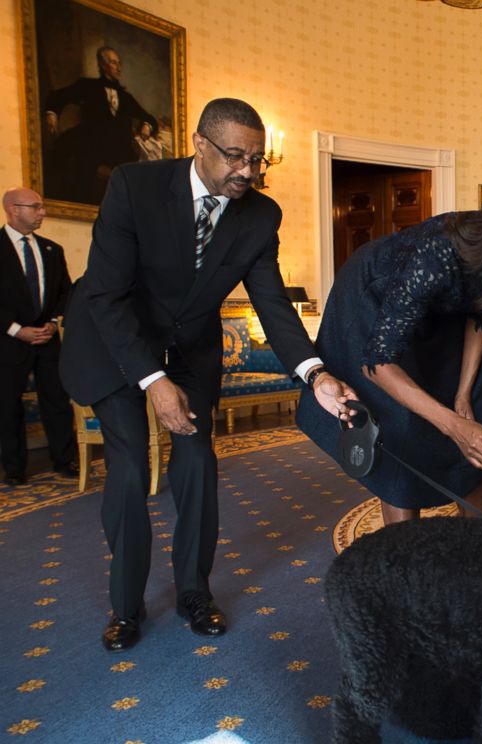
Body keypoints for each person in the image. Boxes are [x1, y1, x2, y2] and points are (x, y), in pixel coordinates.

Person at [59, 98, 357, 653]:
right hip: (112, 339)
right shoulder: (134, 186)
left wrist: (315, 374)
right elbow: (105, 294)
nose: (247, 171)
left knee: (197, 460)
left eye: (257, 160)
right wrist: (153, 380)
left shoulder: (261, 215)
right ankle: (125, 607)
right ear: (200, 144)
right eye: (235, 156)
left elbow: (273, 305)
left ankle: (195, 592)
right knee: (128, 468)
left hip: (187, 344)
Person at [297, 180, 482, 525]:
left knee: (476, 412)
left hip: (440, 313)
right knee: (401, 425)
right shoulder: (434, 255)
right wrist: (452, 425)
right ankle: (404, 554)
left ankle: (479, 547)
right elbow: (378, 363)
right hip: (373, 309)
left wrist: (463, 394)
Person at [0, 188, 76, 486]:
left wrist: (54, 323)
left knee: (57, 401)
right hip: (8, 341)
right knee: (7, 406)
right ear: (12, 209)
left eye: (42, 206)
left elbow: (65, 293)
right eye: (35, 207)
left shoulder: (52, 249)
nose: (42, 212)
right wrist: (18, 330)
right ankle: (15, 469)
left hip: (48, 339)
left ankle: (64, 460)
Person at [43, 46, 158, 204]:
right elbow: (58, 97)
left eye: (119, 63)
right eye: (113, 63)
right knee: (78, 163)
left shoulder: (125, 97)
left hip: (118, 147)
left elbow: (149, 118)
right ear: (103, 65)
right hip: (92, 142)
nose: (118, 67)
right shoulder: (88, 86)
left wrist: (147, 125)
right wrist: (52, 113)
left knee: (136, 177)